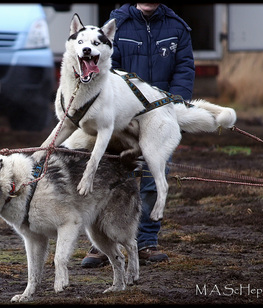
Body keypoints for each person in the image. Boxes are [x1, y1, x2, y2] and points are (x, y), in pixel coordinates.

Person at [81, 3, 195, 267]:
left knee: (152, 180)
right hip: (122, 116)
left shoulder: (178, 27)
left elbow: (184, 70)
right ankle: (102, 244)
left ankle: (145, 241)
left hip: (158, 115)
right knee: (111, 179)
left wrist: (173, 109)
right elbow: (107, 69)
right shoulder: (114, 25)